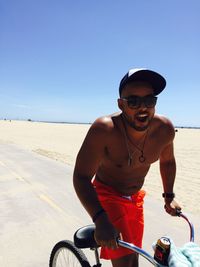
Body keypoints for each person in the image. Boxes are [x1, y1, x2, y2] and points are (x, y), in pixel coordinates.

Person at [73, 68, 181, 267]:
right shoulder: (104, 130)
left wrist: (169, 197)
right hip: (108, 195)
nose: (143, 108)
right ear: (121, 104)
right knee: (125, 263)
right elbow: (80, 176)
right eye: (133, 102)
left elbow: (167, 161)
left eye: (149, 100)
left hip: (135, 198)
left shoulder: (164, 129)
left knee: (134, 258)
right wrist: (100, 219)